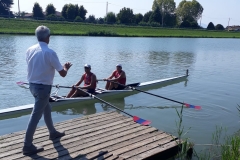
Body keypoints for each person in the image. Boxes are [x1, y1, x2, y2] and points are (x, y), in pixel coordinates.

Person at [23, 25, 72, 155]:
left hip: (32, 86)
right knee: (35, 116)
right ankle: (27, 145)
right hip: (43, 88)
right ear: (48, 38)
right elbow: (62, 73)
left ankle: (52, 133)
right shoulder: (50, 52)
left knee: (47, 108)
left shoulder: (29, 50)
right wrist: (66, 67)